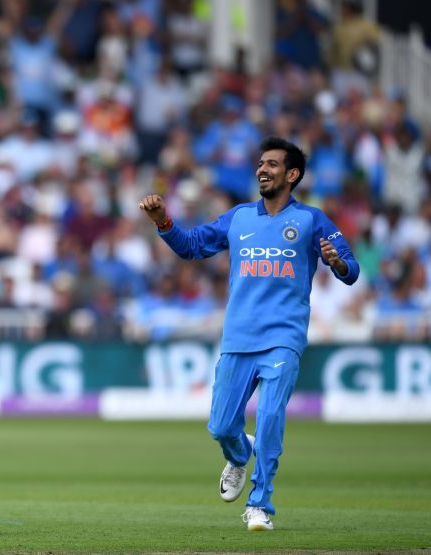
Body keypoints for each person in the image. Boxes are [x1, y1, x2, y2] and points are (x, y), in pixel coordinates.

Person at [139, 137, 359, 531]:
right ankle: (239, 455)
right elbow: (191, 247)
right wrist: (163, 223)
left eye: (272, 164)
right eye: (261, 163)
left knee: (271, 416)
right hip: (239, 337)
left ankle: (260, 504)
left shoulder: (312, 220)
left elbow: (351, 269)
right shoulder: (238, 218)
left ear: (291, 175)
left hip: (284, 337)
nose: (263, 169)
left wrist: (337, 264)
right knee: (222, 428)